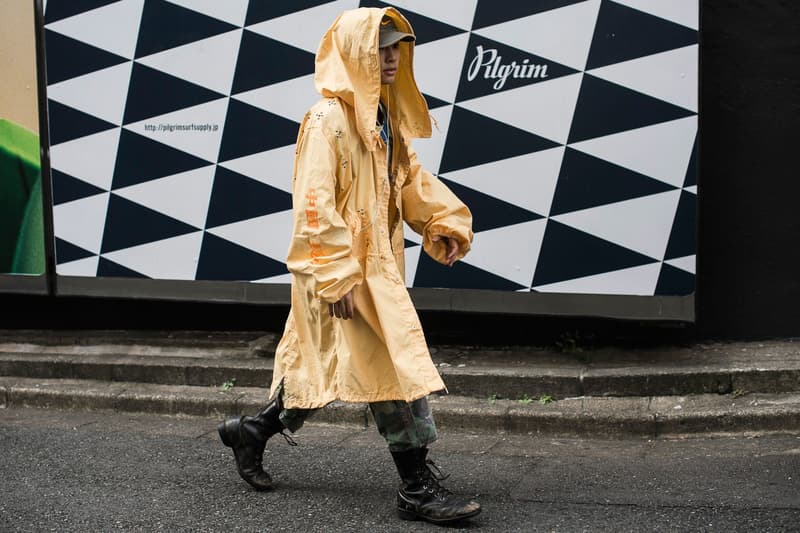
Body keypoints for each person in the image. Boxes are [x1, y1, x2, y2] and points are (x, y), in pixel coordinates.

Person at [218, 7, 480, 525]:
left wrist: (440, 223)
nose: (390, 58)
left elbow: (407, 180)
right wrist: (336, 275)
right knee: (391, 372)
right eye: (380, 48)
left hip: (374, 271)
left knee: (329, 370)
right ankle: (415, 488)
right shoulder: (326, 121)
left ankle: (252, 430)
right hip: (339, 274)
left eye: (396, 49)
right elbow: (314, 204)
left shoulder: (381, 113)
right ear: (354, 52)